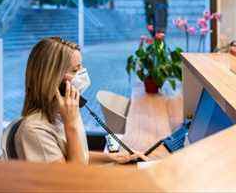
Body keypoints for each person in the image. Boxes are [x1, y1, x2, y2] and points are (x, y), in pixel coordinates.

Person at [15, 37, 148, 165]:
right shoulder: (35, 131)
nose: (82, 73)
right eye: (75, 70)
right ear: (52, 80)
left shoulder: (64, 113)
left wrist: (111, 157)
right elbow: (73, 179)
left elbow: (75, 155)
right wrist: (71, 124)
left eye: (81, 66)